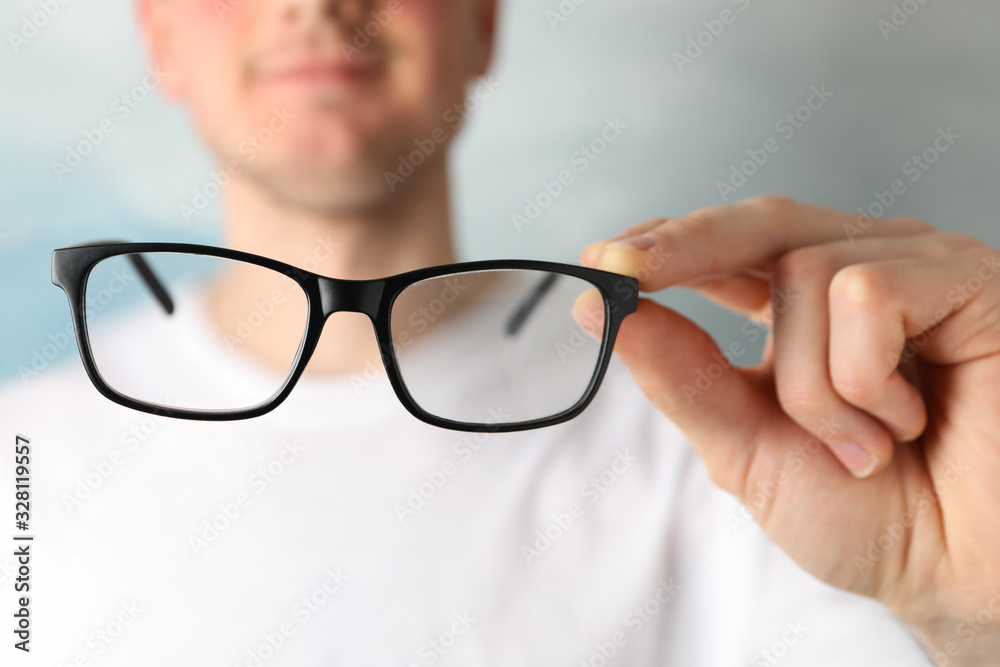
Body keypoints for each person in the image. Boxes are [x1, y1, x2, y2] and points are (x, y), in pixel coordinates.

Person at [1, 0, 998, 664]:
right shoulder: (20, 465)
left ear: (482, 28)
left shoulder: (736, 445)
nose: (317, 6)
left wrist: (967, 612)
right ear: (159, 42)